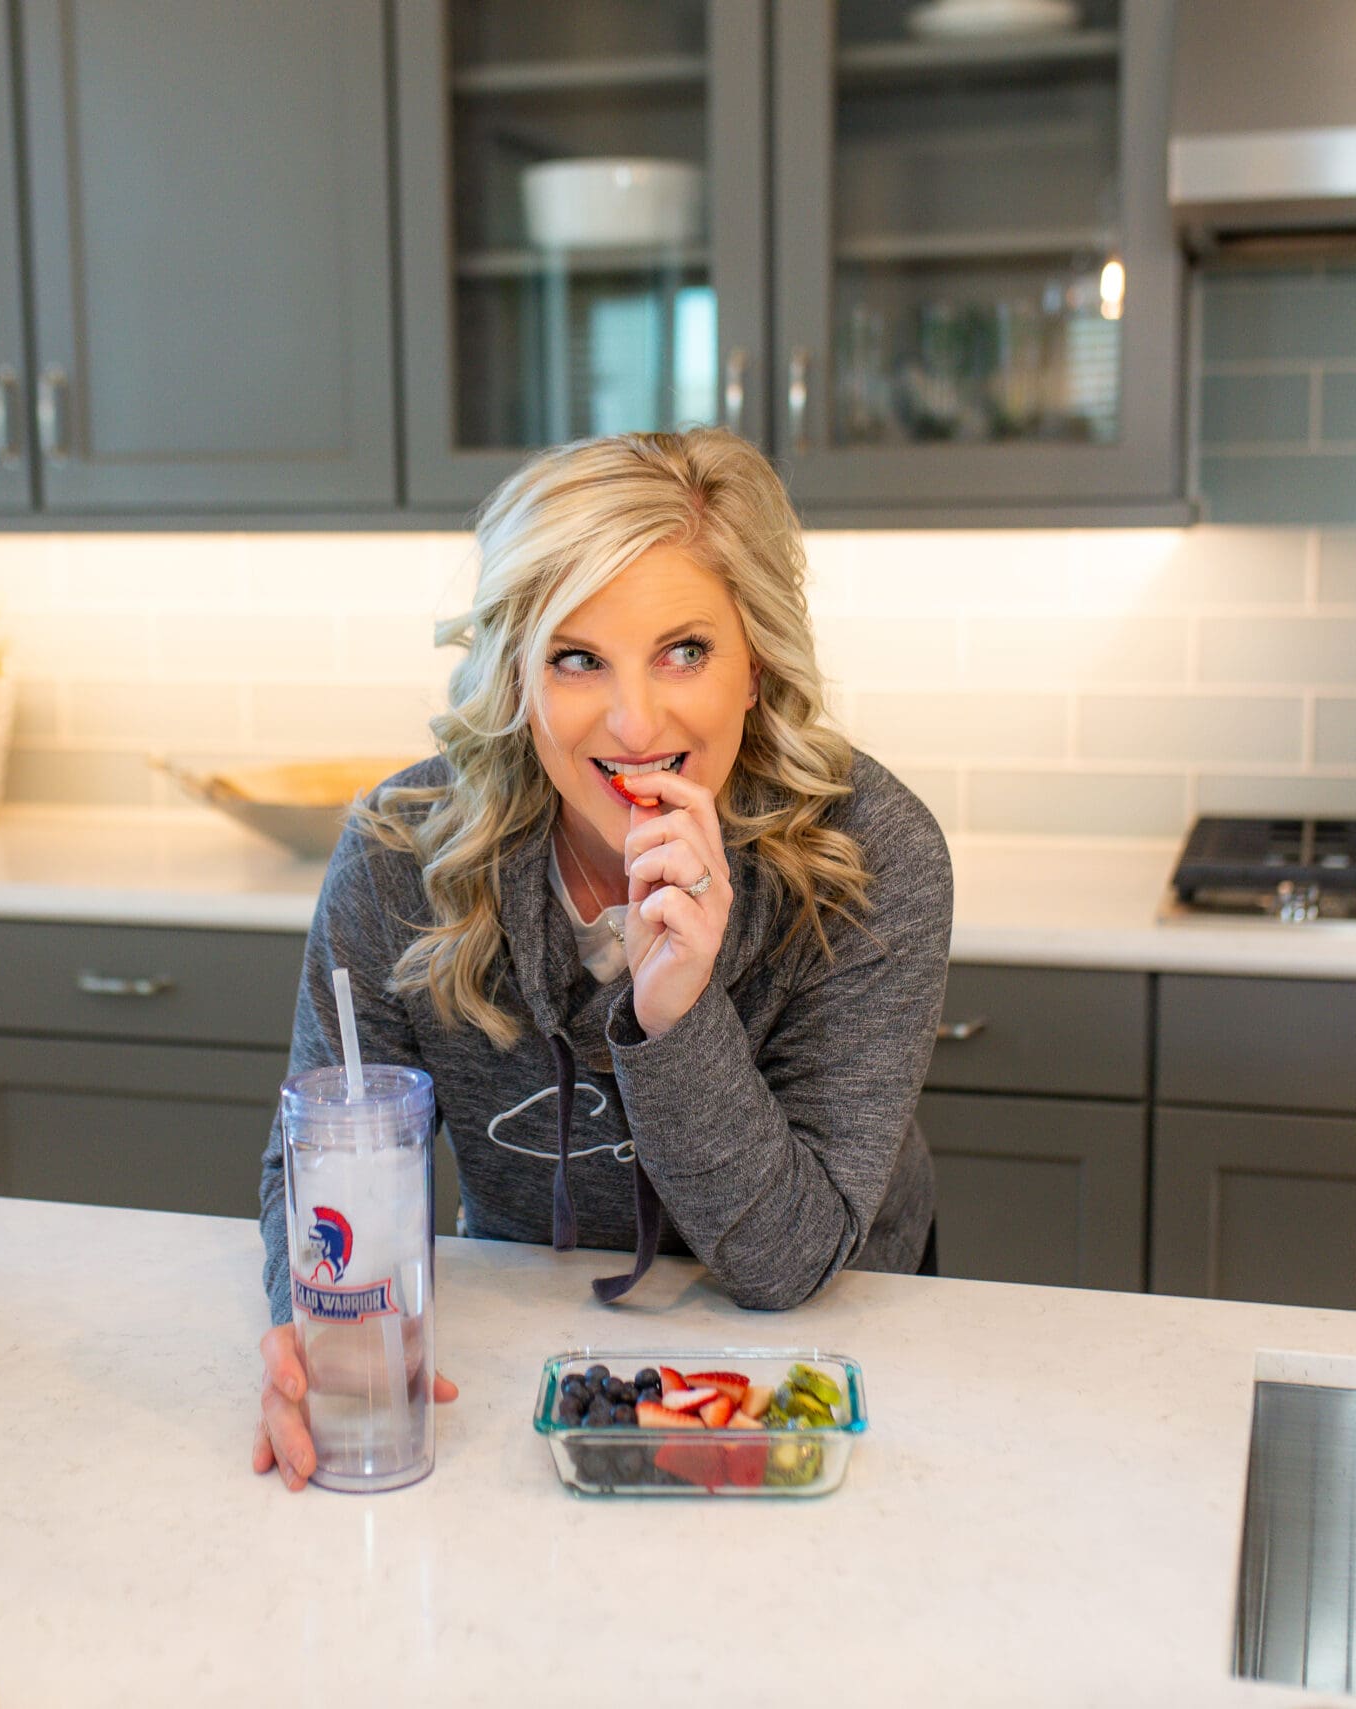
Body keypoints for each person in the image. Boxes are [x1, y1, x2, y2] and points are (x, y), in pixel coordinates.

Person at [252, 428, 953, 1491]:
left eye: (685, 650)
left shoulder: (873, 858)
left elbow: (789, 1261)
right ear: (519, 676)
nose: (635, 722)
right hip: (526, 1378)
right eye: (577, 658)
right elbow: (314, 1164)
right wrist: (309, 1330)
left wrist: (675, 1013)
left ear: (755, 662)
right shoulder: (405, 853)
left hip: (823, 1379)